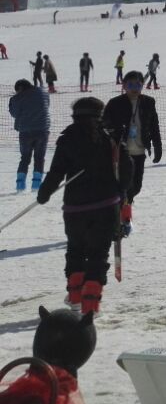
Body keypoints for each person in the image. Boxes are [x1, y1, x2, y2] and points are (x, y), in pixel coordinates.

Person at [37, 96, 133, 314]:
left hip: (75, 209)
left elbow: (55, 173)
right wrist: (122, 191)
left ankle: (75, 296)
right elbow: (126, 173)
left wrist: (44, 194)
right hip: (106, 207)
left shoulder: (67, 138)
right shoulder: (111, 138)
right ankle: (91, 304)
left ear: (75, 115)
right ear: (100, 115)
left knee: (76, 251)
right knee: (98, 254)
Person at [101, 73, 161, 238]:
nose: (134, 89)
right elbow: (104, 123)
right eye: (130, 85)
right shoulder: (115, 103)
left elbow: (154, 125)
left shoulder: (148, 102)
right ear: (124, 86)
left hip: (139, 150)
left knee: (136, 187)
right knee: (123, 188)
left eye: (138, 85)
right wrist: (113, 132)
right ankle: (124, 220)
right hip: (121, 152)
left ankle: (124, 213)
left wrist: (157, 145)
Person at [11, 79, 50, 192]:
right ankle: (36, 186)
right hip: (42, 130)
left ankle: (20, 185)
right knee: (39, 158)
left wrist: (12, 102)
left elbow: (14, 113)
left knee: (25, 158)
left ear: (20, 88)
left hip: (25, 131)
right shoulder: (43, 93)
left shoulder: (18, 98)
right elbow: (46, 106)